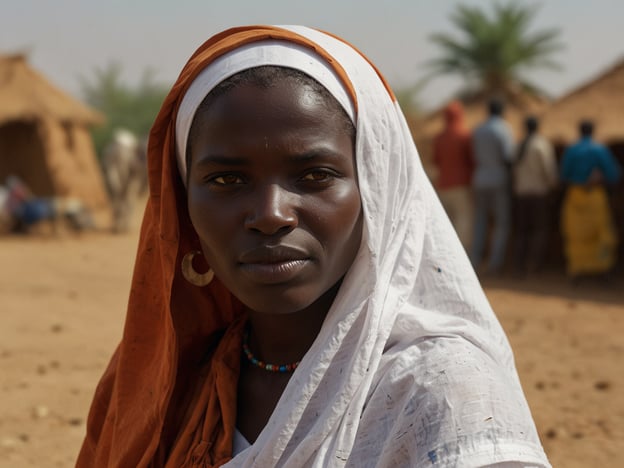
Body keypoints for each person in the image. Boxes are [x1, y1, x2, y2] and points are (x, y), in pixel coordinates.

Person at [78, 26, 550, 467]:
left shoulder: (437, 395)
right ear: (185, 206)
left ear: (377, 191)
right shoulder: (159, 380)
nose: (271, 214)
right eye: (226, 179)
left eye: (315, 176)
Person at [560, 120, 621, 280]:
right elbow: (614, 174)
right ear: (593, 131)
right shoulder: (600, 150)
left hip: (575, 196)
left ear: (579, 131)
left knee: (576, 235)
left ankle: (577, 271)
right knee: (601, 233)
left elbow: (563, 174)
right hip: (595, 196)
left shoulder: (572, 150)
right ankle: (602, 270)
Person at [470, 98, 515, 275]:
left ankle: (475, 260)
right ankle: (495, 263)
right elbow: (508, 157)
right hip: (498, 179)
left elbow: (473, 154)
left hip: (480, 178)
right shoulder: (504, 129)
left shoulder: (478, 130)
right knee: (501, 223)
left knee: (480, 220)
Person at [512, 116, 558, 275]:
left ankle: (518, 265)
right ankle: (533, 265)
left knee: (522, 231)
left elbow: (513, 171)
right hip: (538, 194)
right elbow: (549, 170)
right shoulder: (541, 145)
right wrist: (553, 187)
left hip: (521, 194)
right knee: (539, 231)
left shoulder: (518, 146)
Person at [432, 100, 474, 249]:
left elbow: (436, 160)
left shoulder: (439, 138)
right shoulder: (464, 135)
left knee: (446, 225)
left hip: (443, 186)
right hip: (461, 186)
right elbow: (472, 160)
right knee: (464, 221)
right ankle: (462, 256)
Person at [101, 128, 147, 233]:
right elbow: (110, 170)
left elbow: (139, 169)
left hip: (131, 180)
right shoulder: (112, 153)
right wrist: (116, 184)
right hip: (121, 181)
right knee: (119, 202)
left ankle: (124, 224)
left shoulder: (135, 151)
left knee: (128, 201)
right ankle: (118, 224)